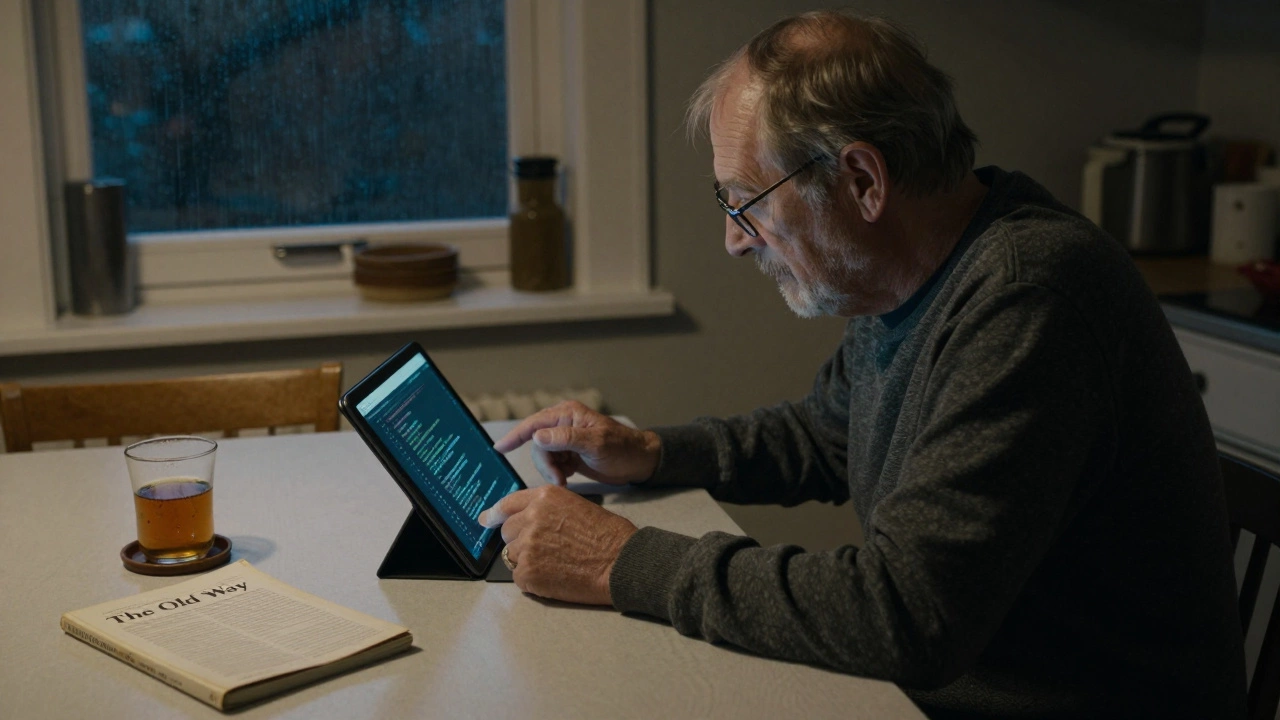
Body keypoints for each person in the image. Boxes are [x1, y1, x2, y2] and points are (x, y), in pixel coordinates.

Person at [477, 10, 1247, 718]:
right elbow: (827, 434)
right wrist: (652, 451)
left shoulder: (1028, 296)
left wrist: (622, 560)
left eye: (747, 202)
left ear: (863, 181)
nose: (735, 239)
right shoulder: (916, 274)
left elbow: (907, 615)